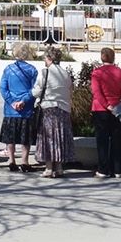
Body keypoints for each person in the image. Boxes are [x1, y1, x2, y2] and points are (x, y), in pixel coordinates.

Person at [89, 46, 121, 179]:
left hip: (101, 109)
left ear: (102, 57)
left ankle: (103, 169)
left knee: (102, 140)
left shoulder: (97, 73)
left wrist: (106, 105)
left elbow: (96, 92)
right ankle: (117, 168)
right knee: (116, 139)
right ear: (113, 57)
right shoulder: (120, 72)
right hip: (118, 109)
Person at [31, 46, 73, 178]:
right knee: (59, 138)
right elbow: (70, 90)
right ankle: (59, 167)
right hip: (64, 109)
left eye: (44, 57)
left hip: (49, 109)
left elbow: (36, 91)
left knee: (48, 138)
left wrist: (32, 93)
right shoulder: (65, 73)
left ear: (49, 58)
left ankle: (49, 168)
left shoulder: (45, 72)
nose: (44, 59)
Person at [0, 49, 40, 173]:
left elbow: (3, 88)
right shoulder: (32, 70)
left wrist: (11, 102)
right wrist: (24, 101)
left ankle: (11, 160)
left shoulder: (8, 69)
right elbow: (34, 89)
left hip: (10, 109)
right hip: (26, 108)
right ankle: (25, 161)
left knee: (10, 136)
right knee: (25, 137)